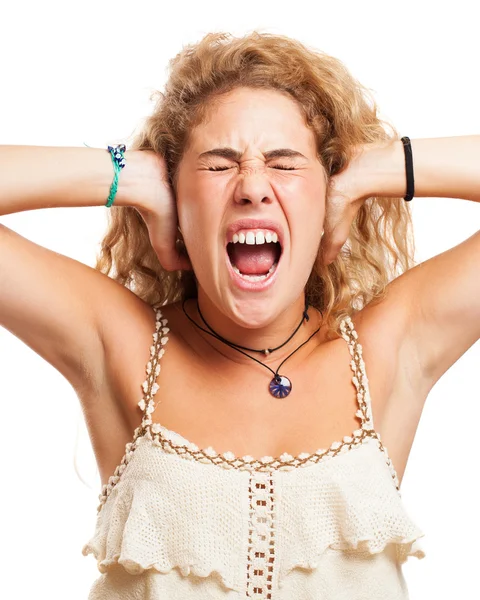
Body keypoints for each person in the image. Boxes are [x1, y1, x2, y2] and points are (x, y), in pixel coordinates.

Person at [1, 30, 479, 599]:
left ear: (327, 204)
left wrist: (373, 170)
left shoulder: (388, 349)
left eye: (285, 164)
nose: (253, 186)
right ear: (175, 205)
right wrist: (128, 175)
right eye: (218, 166)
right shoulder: (117, 343)